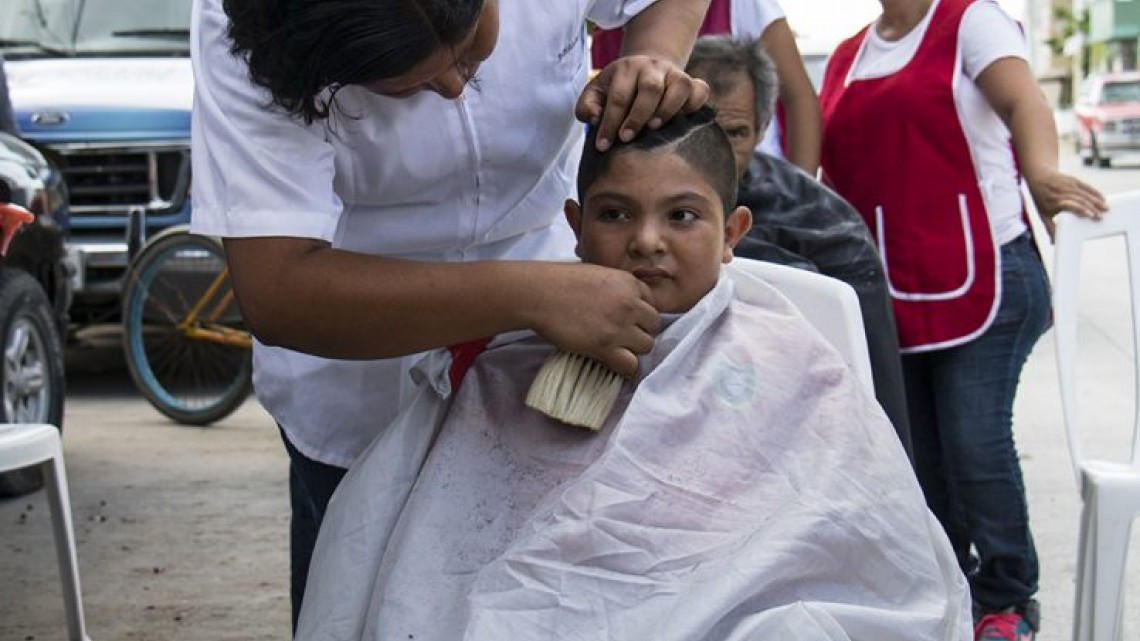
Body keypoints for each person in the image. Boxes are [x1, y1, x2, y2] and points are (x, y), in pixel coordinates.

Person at [296, 107, 972, 640]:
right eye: (616, 214)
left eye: (682, 215)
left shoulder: (790, 362)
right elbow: (439, 554)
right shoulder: (509, 363)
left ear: (732, 231)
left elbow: (858, 542)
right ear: (576, 226)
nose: (647, 240)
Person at [189, 0, 712, 627]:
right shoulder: (247, 25)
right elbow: (278, 290)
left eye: (470, 48)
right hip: (362, 374)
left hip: (552, 325)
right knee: (363, 607)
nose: (453, 85)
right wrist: (532, 297)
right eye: (403, 87)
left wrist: (652, 58)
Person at [817, 1, 1109, 639]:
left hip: (990, 273)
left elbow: (1024, 103)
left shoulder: (969, 21)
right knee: (922, 464)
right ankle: (949, 594)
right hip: (893, 291)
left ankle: (1008, 600)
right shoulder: (846, 57)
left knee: (974, 444)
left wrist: (1041, 173)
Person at [685, 35, 912, 456]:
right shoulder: (632, 215)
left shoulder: (828, 230)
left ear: (763, 128)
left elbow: (871, 389)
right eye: (700, 128)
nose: (715, 151)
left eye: (735, 133)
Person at [592, 0, 821, 175]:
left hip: (750, 181)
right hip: (662, 182)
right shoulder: (603, 23)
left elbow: (799, 98)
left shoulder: (742, 5)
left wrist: (802, 189)